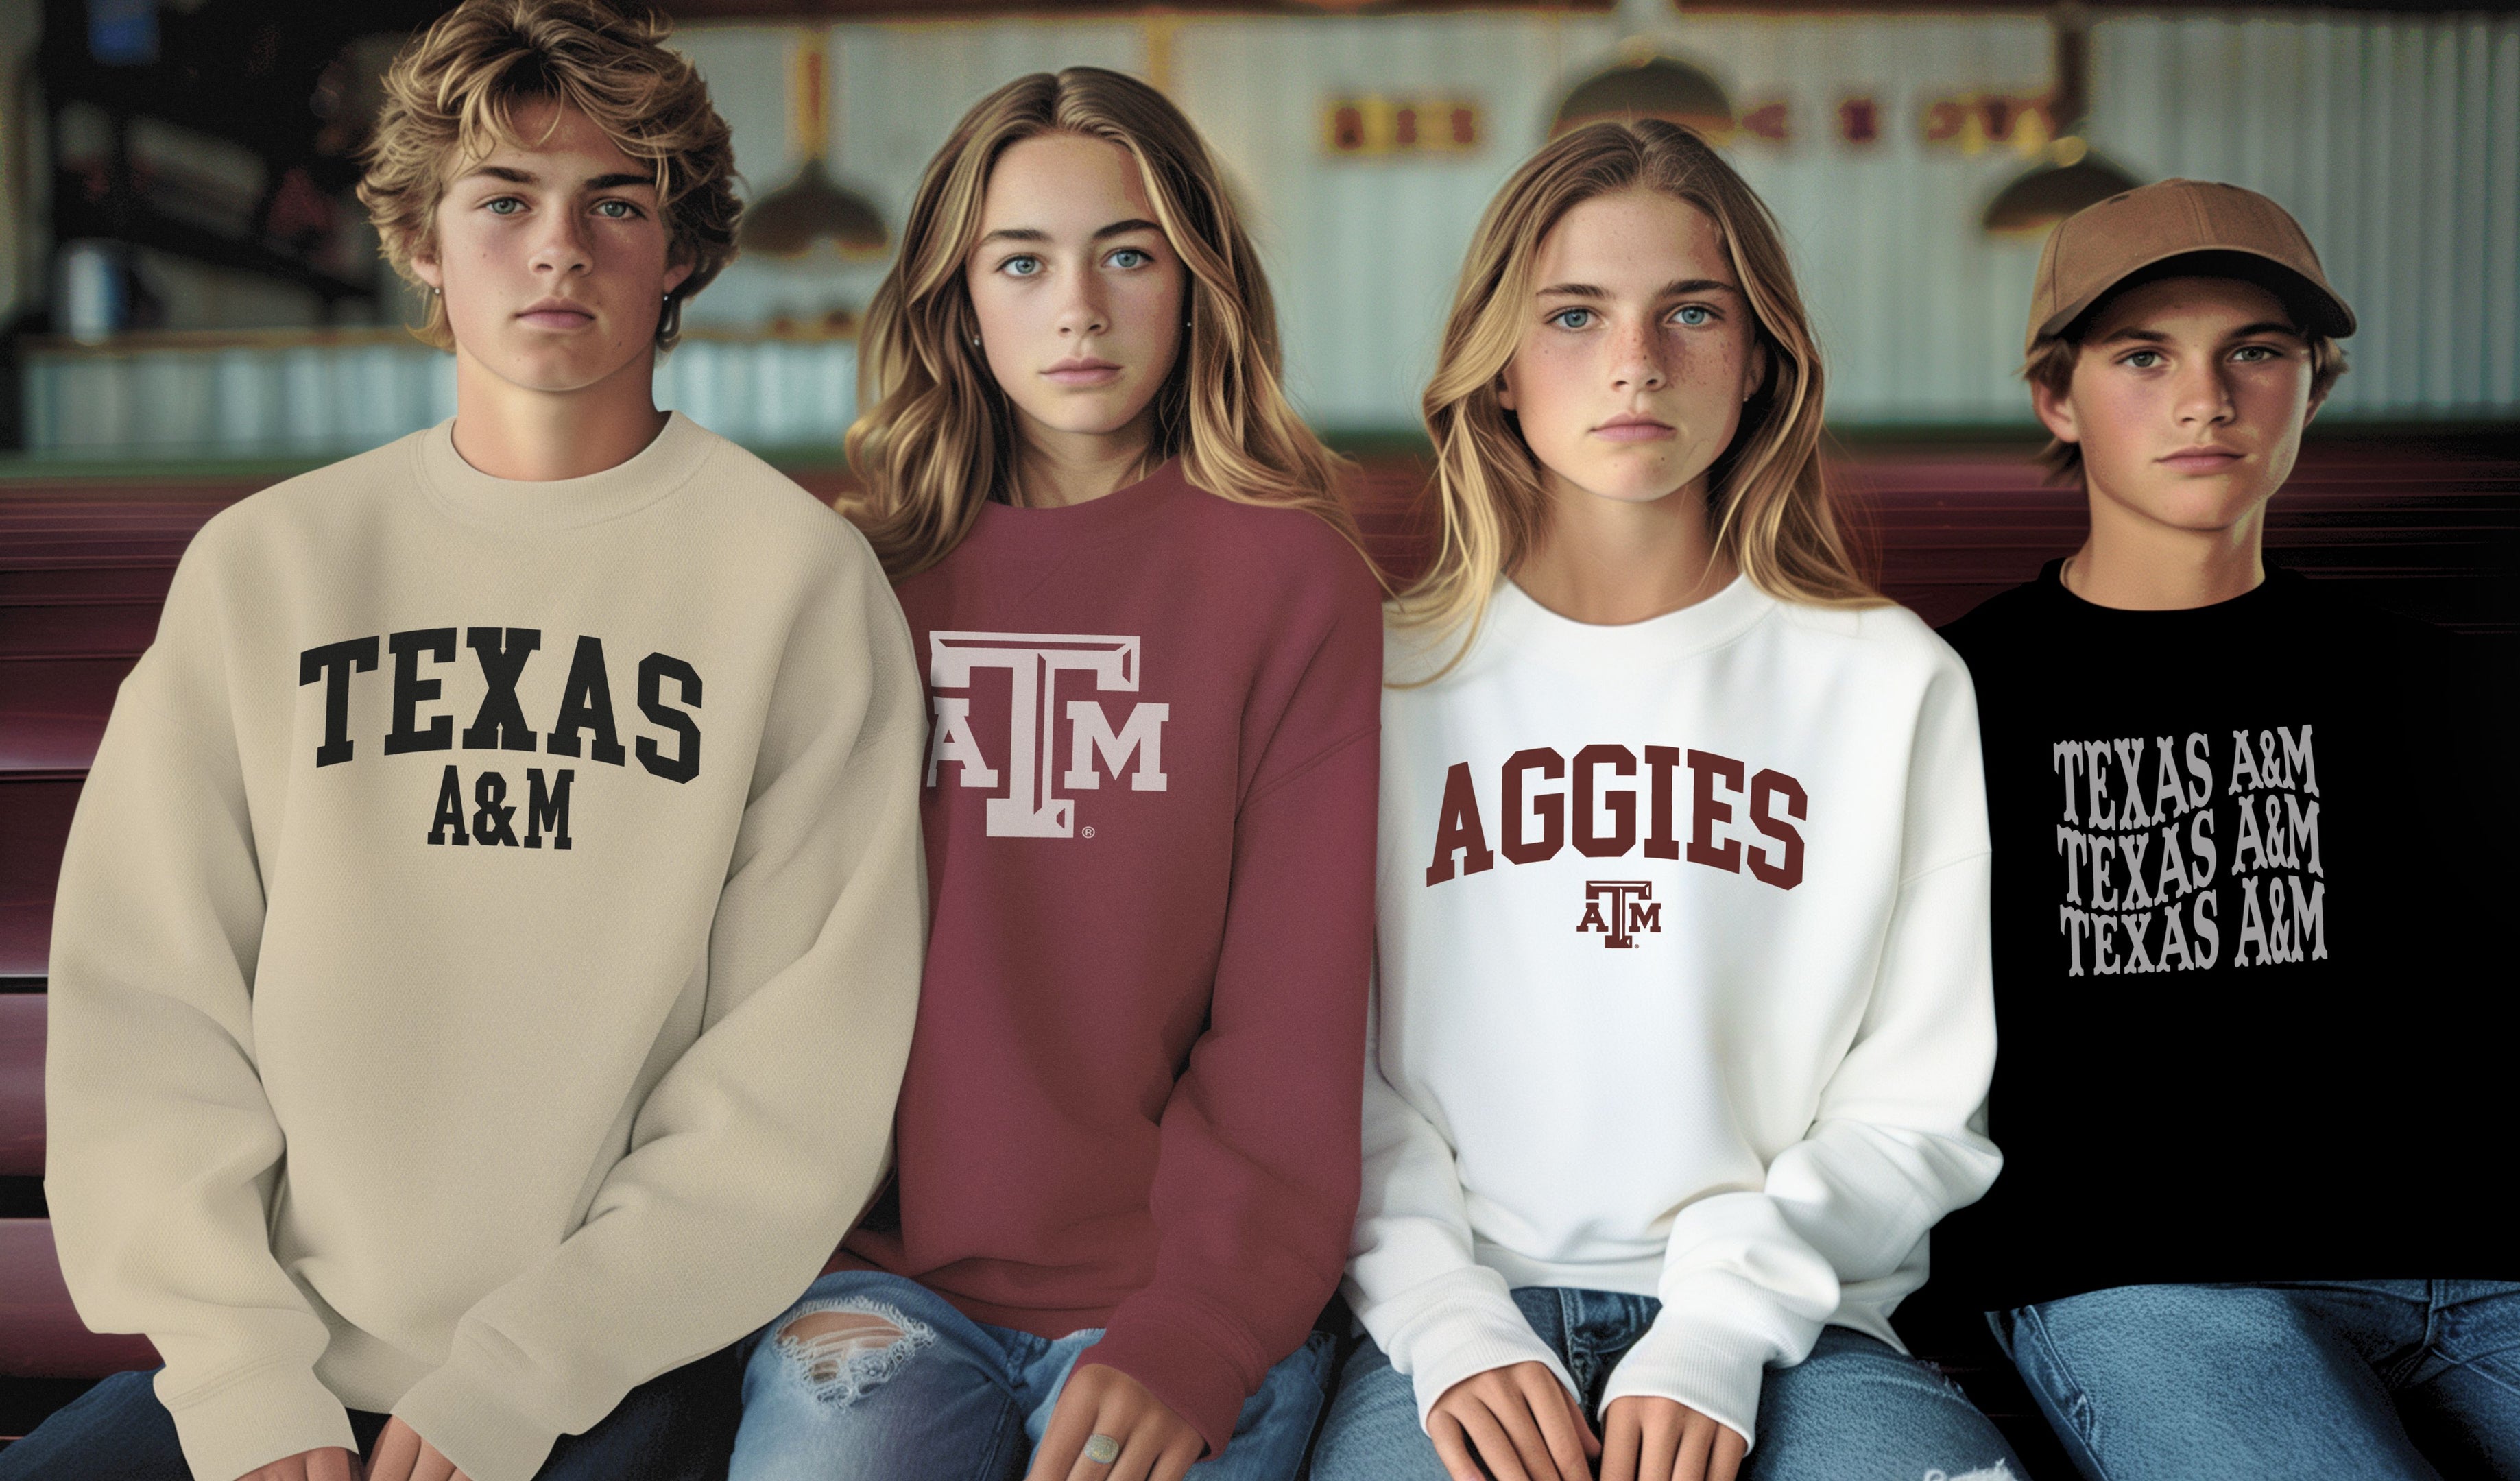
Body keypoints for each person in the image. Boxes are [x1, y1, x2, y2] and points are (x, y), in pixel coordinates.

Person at [11, 3, 930, 1479]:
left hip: (621, 1369)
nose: (559, 245)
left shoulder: (795, 583)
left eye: (614, 203)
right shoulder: (270, 569)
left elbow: (790, 1083)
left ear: (681, 249)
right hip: (279, 1372)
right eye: (503, 200)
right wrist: (247, 1380)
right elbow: (150, 1014)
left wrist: (523, 1371)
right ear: (424, 243)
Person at [1311, 119, 2023, 1481]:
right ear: (1500, 369)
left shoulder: (1891, 684)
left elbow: (1920, 1105)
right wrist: (1449, 1321)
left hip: (1796, 1328)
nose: (1636, 361)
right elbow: (1323, 1076)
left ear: (1761, 361)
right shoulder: (1378, 681)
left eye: (1691, 311)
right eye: (1574, 314)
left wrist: (1720, 1326)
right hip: (1456, 1332)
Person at [725, 68, 1382, 1481]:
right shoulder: (858, 584)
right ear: (956, 301)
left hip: (1177, 1292)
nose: (1078, 307)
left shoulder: (1291, 580)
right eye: (1021, 262)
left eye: (1127, 254)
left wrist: (1201, 1322)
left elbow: (1291, 1018)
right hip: (879, 1284)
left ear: (1197, 283)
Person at [1938, 178, 2520, 1480]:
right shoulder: (1945, 699)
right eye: (2144, 357)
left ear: (2313, 389)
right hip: (2150, 1279)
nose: (2207, 397)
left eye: (2256, 352)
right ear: (2057, 397)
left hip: (2514, 1273)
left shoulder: (2449, 688)